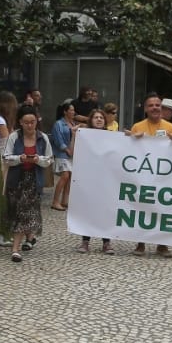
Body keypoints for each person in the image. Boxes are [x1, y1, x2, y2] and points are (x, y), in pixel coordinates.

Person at [128, 92, 172, 255]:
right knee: (142, 209)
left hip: (164, 176)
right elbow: (128, 150)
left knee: (164, 209)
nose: (155, 108)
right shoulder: (138, 126)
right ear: (146, 109)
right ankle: (140, 243)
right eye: (151, 105)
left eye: (158, 105)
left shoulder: (170, 127)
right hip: (143, 176)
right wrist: (132, 137)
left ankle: (162, 245)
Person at [3, 104, 52, 262]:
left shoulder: (43, 138)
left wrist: (39, 159)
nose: (30, 125)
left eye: (32, 122)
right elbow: (6, 157)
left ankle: (15, 248)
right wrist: (19, 158)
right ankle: (29, 237)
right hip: (16, 179)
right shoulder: (14, 137)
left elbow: (49, 159)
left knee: (24, 212)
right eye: (26, 122)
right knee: (16, 211)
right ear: (20, 122)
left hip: (33, 179)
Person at [76, 108, 114, 254]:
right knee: (88, 209)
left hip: (106, 179)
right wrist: (74, 136)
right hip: (89, 178)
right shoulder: (84, 136)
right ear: (91, 120)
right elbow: (76, 153)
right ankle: (85, 241)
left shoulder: (112, 136)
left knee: (106, 210)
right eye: (96, 117)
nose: (99, 119)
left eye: (101, 118)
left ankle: (106, 242)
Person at [0, 90, 17, 246]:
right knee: (1, 198)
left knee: (6, 198)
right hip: (0, 158)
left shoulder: (2, 119)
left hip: (4, 158)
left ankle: (5, 232)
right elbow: (8, 139)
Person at [50, 99, 76, 210]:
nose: (73, 112)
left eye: (74, 110)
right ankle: (55, 201)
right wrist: (66, 149)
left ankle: (64, 200)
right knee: (65, 176)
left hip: (71, 154)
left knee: (69, 177)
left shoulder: (73, 124)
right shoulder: (59, 124)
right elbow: (57, 139)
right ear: (65, 112)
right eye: (71, 110)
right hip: (62, 154)